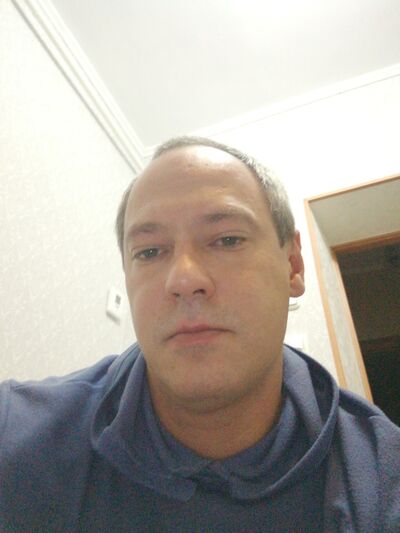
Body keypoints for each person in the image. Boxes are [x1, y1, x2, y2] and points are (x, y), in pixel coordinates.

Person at [0, 136, 399, 533]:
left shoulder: (382, 475)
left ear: (293, 265)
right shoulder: (17, 436)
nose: (184, 279)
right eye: (149, 252)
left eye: (227, 240)